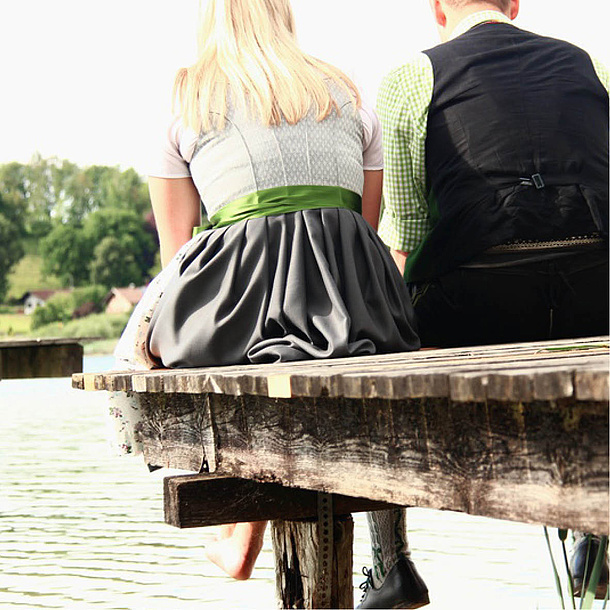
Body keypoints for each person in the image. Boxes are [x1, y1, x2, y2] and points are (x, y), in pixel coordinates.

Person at [111, 0, 428, 605]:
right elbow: (364, 222)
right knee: (322, 353)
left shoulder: (187, 95)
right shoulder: (342, 89)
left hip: (242, 311)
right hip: (359, 309)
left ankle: (239, 526)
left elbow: (176, 255)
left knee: (191, 348)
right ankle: (391, 557)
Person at [363, 0, 609, 606]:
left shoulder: (409, 78)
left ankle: (391, 561)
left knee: (370, 343)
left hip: (480, 303)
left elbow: (411, 233)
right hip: (599, 293)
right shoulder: (588, 64)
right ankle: (598, 535)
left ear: (437, 7)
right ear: (515, 4)